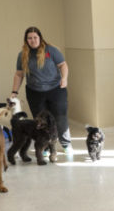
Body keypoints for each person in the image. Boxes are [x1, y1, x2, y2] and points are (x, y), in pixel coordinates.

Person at [11, 26, 72, 154]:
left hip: (56, 89)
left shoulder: (51, 50)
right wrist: (14, 91)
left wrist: (64, 78)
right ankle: (43, 145)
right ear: (26, 40)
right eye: (30, 38)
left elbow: (63, 65)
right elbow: (19, 74)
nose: (33, 40)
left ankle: (66, 144)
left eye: (35, 37)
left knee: (60, 117)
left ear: (40, 38)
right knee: (40, 121)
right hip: (35, 92)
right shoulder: (22, 55)